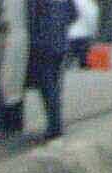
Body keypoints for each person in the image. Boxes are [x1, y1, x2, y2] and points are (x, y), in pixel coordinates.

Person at [28, 0, 73, 142]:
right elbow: (74, 14)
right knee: (55, 86)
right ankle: (56, 124)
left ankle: (54, 127)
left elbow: (30, 17)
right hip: (60, 44)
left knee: (47, 88)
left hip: (42, 45)